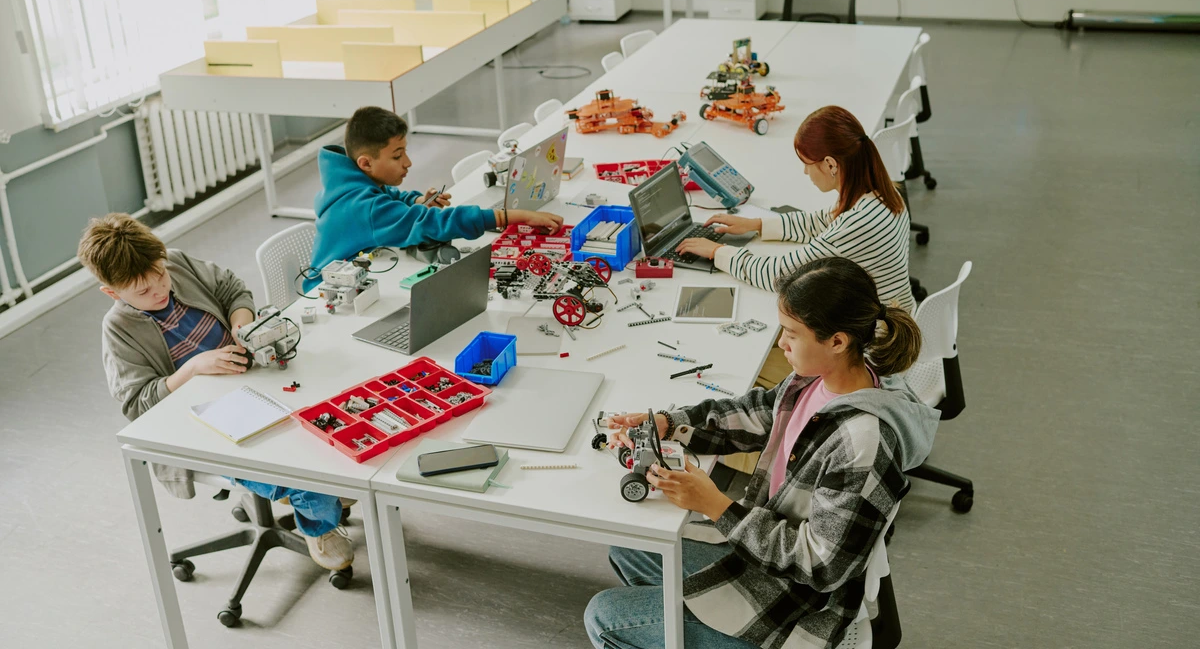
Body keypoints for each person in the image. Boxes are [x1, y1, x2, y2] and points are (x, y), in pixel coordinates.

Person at [586, 256, 939, 649]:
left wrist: (718, 506)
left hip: (793, 603)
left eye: (790, 333)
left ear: (837, 340)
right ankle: (687, 620)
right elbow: (758, 414)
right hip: (762, 553)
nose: (780, 342)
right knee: (632, 544)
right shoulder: (822, 375)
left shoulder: (864, 443)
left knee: (604, 616)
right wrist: (669, 423)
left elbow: (820, 566)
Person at [79, 214, 354, 571]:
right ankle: (320, 522)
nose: (160, 289)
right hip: (202, 424)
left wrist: (240, 324)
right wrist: (192, 368)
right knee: (300, 468)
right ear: (112, 293)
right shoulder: (118, 329)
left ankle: (317, 494)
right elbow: (137, 403)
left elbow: (232, 289)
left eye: (160, 276)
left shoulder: (175, 262)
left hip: (250, 382)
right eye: (143, 291)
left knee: (331, 415)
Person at [676, 105, 916, 312]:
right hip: (895, 317)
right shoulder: (880, 193)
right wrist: (758, 225)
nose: (805, 172)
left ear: (830, 164)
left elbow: (779, 274)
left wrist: (717, 252)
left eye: (807, 164)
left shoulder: (857, 225)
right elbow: (819, 222)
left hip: (879, 347)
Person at [307, 106, 561, 288]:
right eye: (397, 156)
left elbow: (389, 195)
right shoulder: (364, 207)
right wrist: (517, 216)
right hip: (328, 292)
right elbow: (434, 223)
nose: (407, 162)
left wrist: (416, 202)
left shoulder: (350, 181)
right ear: (365, 163)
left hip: (360, 273)